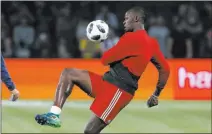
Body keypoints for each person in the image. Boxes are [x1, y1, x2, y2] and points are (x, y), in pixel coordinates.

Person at [35, 6, 170, 133]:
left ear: (136, 19)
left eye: (126, 18)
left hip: (119, 91)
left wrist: (103, 43)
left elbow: (105, 59)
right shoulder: (152, 43)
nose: (124, 22)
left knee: (90, 131)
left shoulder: (130, 38)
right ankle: (54, 114)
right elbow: (165, 69)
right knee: (69, 73)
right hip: (107, 82)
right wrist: (156, 94)